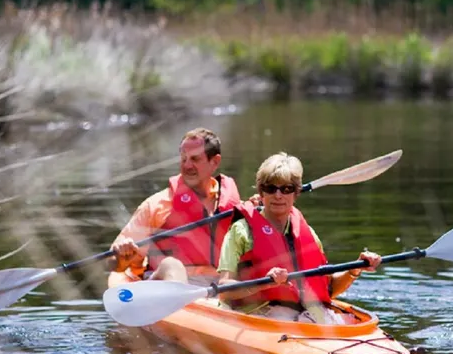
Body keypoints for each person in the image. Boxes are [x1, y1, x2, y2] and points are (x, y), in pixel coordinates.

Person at [216, 152, 382, 325]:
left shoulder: (307, 232)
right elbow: (224, 289)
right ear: (261, 192)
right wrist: (265, 284)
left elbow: (328, 289)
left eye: (286, 189)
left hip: (307, 316)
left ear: (296, 193)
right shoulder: (241, 232)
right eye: (270, 188)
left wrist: (355, 269)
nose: (278, 195)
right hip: (260, 316)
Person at [108, 128, 248, 285]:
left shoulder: (236, 209)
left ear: (214, 162)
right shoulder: (156, 206)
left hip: (218, 287)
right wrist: (122, 256)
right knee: (171, 265)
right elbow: (113, 263)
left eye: (195, 159)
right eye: (183, 159)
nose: (187, 165)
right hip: (167, 285)